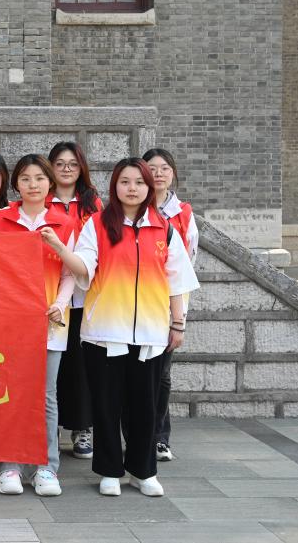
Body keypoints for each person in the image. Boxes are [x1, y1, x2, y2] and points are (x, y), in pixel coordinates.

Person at [43, 157, 199, 498]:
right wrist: (59, 247)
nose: (132, 188)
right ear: (114, 186)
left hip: (151, 333)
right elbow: (83, 267)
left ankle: (144, 472)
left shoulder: (164, 228)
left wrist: (178, 324)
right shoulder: (98, 224)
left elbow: (177, 281)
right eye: (125, 182)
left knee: (144, 407)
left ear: (148, 187)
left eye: (139, 182)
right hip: (104, 332)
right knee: (106, 406)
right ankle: (109, 471)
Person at [0, 154, 75, 498]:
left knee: (46, 396)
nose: (33, 184)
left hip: (50, 322)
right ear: (16, 184)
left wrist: (60, 303)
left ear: (50, 183)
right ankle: (9, 465)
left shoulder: (64, 223)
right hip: (9, 325)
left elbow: (70, 273)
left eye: (39, 178)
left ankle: (46, 466)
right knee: (10, 393)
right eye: (25, 178)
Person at [47, 141, 103, 460]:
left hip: (85, 296)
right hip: (50, 296)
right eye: (60, 163)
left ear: (81, 168)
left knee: (81, 368)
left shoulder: (92, 204)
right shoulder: (43, 200)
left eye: (72, 163)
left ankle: (83, 428)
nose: (66, 169)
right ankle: (50, 427)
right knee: (54, 366)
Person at [143, 147, 198, 462]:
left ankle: (159, 438)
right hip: (134, 301)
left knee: (161, 373)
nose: (158, 173)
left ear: (173, 173)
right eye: (152, 168)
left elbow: (187, 264)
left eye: (164, 168)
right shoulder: (130, 209)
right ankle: (136, 435)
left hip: (168, 306)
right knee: (135, 374)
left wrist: (179, 316)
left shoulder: (183, 213)